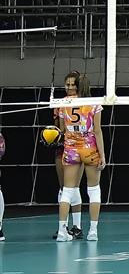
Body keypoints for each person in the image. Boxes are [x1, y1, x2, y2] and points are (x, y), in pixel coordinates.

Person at [54, 71, 105, 242]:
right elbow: (97, 130)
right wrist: (102, 155)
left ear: (76, 86)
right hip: (90, 149)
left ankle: (62, 232)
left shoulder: (64, 103)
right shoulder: (94, 103)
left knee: (67, 191)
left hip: (71, 149)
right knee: (94, 190)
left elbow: (62, 129)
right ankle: (93, 232)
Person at [51, 73, 83, 239]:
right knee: (64, 188)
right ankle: (64, 226)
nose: (70, 87)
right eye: (67, 84)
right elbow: (59, 129)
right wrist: (51, 135)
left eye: (73, 84)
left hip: (78, 147)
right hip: (64, 147)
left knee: (73, 187)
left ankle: (76, 226)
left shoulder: (86, 102)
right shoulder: (60, 103)